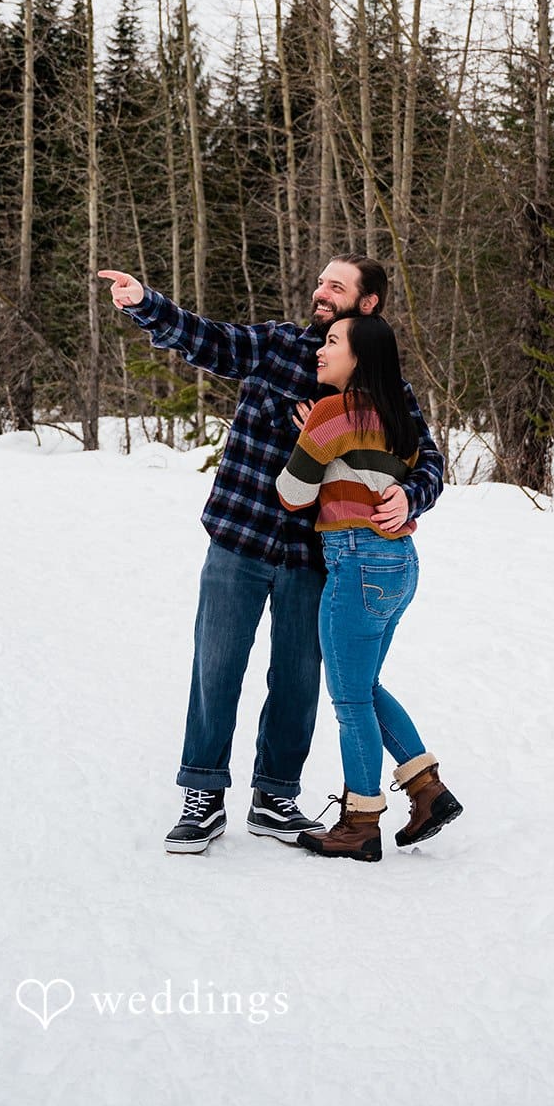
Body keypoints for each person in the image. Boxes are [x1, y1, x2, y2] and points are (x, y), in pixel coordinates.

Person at [98, 256, 445, 854]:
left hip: (318, 556)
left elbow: (432, 461)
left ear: (368, 305)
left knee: (299, 679)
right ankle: (202, 793)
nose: (319, 291)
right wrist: (145, 303)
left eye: (335, 287)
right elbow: (210, 340)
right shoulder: (278, 346)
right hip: (241, 536)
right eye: (319, 281)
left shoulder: (389, 391)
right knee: (216, 667)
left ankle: (275, 795)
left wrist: (408, 495)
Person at [276, 312, 462, 862]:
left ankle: (360, 821)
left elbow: (292, 494)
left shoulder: (333, 413)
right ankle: (427, 788)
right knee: (367, 683)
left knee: (351, 697)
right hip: (399, 562)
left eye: (332, 343)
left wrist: (311, 434)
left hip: (354, 560)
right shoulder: (397, 416)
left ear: (359, 358)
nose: (320, 350)